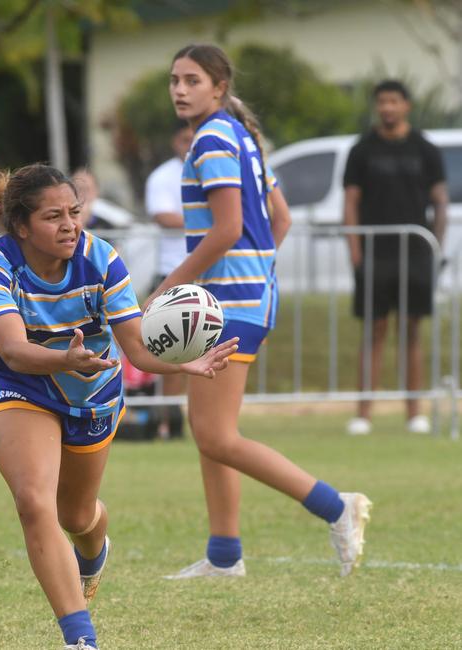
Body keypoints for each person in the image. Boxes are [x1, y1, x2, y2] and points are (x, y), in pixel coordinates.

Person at [0, 163, 237, 650]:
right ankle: (81, 638)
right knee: (34, 502)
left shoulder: (102, 259)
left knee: (77, 516)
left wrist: (185, 364)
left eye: (74, 212)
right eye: (53, 217)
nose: (69, 224)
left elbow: (135, 349)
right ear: (22, 227)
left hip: (92, 394)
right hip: (20, 384)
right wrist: (62, 359)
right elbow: (10, 350)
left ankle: (94, 553)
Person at [148, 43, 372, 580]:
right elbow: (282, 219)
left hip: (231, 301)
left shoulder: (211, 140)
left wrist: (167, 288)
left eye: (192, 80)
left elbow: (226, 230)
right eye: (175, 79)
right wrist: (261, 276)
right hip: (244, 298)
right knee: (209, 429)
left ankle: (336, 506)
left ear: (219, 87)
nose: (180, 89)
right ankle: (225, 556)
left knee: (217, 436)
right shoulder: (240, 136)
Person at [343, 80, 448, 436]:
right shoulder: (362, 149)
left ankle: (414, 411)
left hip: (415, 253)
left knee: (412, 330)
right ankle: (363, 413)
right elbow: (351, 202)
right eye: (382, 102)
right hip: (374, 253)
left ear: (406, 105)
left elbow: (440, 201)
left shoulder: (425, 149)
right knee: (374, 330)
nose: (387, 108)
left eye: (394, 101)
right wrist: (355, 248)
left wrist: (436, 245)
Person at [145, 122, 194, 438]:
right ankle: (171, 418)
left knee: (211, 346)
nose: (190, 144)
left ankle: (215, 419)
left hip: (213, 272)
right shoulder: (164, 176)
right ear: (174, 141)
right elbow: (163, 216)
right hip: (175, 271)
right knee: (174, 349)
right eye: (184, 138)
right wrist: (213, 218)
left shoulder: (215, 169)